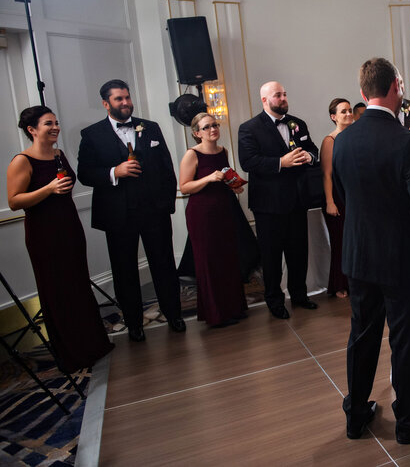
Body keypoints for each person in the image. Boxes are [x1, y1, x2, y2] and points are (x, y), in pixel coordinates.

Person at [332, 58, 410, 444]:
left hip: (358, 256)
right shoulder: (408, 141)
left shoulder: (343, 139)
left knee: (362, 336)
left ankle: (356, 415)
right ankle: (409, 422)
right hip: (401, 257)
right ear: (396, 87)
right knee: (406, 340)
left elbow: (343, 195)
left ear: (362, 92)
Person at [7, 106, 114, 372]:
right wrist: (48, 189)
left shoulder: (58, 154)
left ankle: (92, 344)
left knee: (77, 282)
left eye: (56, 122)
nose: (55, 127)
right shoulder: (22, 160)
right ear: (32, 130)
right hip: (44, 232)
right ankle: (72, 352)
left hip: (69, 226)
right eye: (48, 124)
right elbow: (13, 201)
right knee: (58, 288)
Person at [78, 79, 185, 342]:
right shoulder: (91, 135)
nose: (126, 102)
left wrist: (166, 205)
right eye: (119, 99)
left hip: (154, 212)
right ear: (106, 104)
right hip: (118, 215)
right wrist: (115, 171)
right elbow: (85, 174)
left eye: (127, 97)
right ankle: (134, 322)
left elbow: (166, 168)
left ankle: (174, 314)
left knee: (164, 264)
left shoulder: (150, 128)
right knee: (124, 270)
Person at [238, 81, 319, 320]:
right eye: (277, 95)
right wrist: (280, 163)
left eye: (284, 94)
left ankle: (300, 295)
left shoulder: (297, 123)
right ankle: (274, 300)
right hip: (268, 205)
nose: (283, 98)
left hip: (297, 200)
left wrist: (309, 156)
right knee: (272, 256)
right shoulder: (249, 128)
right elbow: (248, 162)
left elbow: (313, 149)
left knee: (298, 253)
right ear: (265, 100)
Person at [178, 113, 248, 327]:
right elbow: (184, 186)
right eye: (207, 127)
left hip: (225, 210)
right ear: (197, 133)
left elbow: (224, 178)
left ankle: (233, 308)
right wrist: (208, 178)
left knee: (228, 258)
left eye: (215, 125)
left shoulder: (223, 151)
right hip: (202, 214)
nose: (213, 129)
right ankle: (216, 315)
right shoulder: (192, 154)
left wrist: (234, 186)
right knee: (209, 262)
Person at [321, 98, 354, 298]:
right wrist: (330, 202)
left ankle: (356, 280)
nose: (349, 114)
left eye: (350, 110)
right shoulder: (330, 141)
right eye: (344, 111)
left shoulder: (355, 137)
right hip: (337, 197)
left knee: (355, 240)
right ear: (334, 117)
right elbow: (326, 174)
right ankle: (339, 284)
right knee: (341, 241)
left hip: (353, 195)